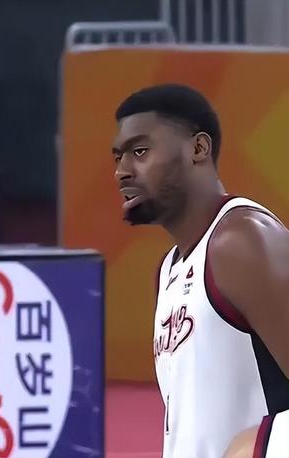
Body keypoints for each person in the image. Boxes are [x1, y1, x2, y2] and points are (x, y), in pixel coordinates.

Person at [111, 83, 289, 458]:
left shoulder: (242, 242)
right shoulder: (168, 270)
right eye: (118, 157)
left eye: (139, 152)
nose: (122, 172)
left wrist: (264, 446)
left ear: (198, 149)